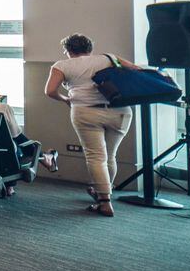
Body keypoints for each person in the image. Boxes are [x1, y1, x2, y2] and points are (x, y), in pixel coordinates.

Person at [46, 33, 135, 217]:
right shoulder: (109, 58)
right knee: (110, 156)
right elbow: (136, 71)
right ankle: (103, 192)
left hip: (86, 112)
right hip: (120, 110)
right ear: (90, 49)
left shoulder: (62, 65)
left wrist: (66, 99)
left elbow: (50, 91)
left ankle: (104, 201)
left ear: (68, 50)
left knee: (96, 157)